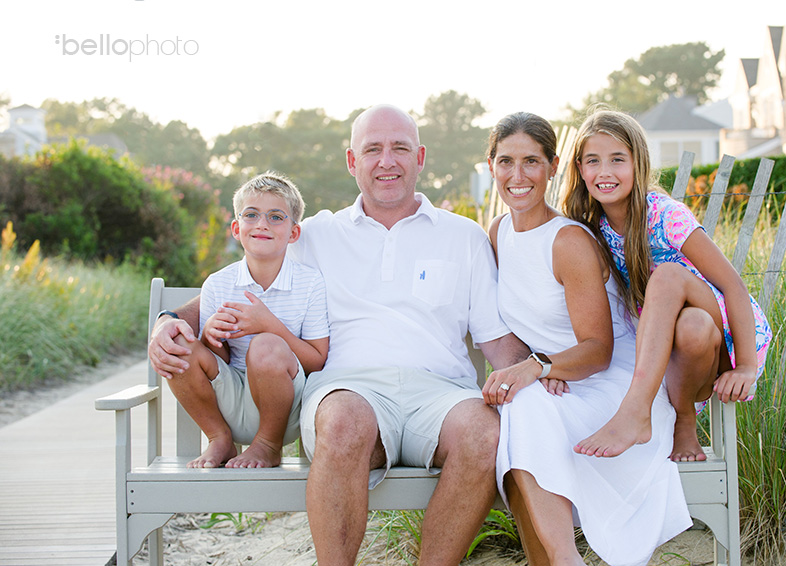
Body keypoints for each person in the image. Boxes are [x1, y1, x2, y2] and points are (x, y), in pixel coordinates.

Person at [148, 104, 529, 566]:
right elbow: (238, 287)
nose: (386, 161)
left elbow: (499, 343)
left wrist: (543, 373)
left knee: (485, 433)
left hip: (442, 395)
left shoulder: (463, 237)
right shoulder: (315, 234)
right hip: (349, 389)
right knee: (344, 421)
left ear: (420, 157)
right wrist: (171, 320)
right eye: (372, 150)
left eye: (399, 149)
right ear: (352, 161)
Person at [482, 112, 690, 566]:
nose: (517, 177)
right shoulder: (497, 234)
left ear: (554, 166)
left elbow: (599, 349)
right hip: (563, 377)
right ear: (492, 166)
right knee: (518, 411)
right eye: (505, 162)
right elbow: (519, 330)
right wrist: (543, 366)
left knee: (521, 407)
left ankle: (564, 560)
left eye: (531, 162)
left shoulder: (567, 241)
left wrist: (540, 367)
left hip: (617, 386)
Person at [566, 109, 773, 462]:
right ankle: (684, 422)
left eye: (618, 159)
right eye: (593, 161)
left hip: (728, 335)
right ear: (580, 169)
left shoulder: (665, 215)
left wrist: (747, 367)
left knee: (668, 275)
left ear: (638, 164)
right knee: (692, 326)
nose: (604, 172)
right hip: (685, 339)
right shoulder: (590, 228)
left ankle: (636, 410)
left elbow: (733, 286)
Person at [160, 172, 329, 469]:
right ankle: (219, 438)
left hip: (285, 408)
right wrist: (210, 338)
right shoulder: (217, 283)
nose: (262, 224)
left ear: (293, 233)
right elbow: (217, 363)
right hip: (228, 401)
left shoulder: (310, 283)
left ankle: (267, 445)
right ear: (237, 228)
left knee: (266, 345)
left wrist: (270, 326)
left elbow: (316, 360)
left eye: (276, 216)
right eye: (252, 215)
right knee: (180, 345)